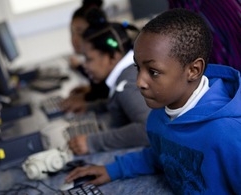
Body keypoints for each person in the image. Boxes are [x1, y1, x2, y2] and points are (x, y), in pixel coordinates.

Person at [65, 8, 241, 194]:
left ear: (193, 70)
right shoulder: (159, 114)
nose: (140, 82)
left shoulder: (227, 135)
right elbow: (162, 154)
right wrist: (114, 169)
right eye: (137, 67)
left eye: (153, 72)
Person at [64, 8, 151, 155]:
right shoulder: (129, 72)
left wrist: (93, 142)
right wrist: (93, 107)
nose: (84, 65)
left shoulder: (127, 83)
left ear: (112, 57)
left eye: (89, 59)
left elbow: (148, 129)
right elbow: (122, 103)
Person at [65, 0, 109, 109]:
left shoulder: (108, 61)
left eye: (79, 33)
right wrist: (89, 92)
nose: (73, 39)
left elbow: (117, 100)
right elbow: (104, 91)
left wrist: (88, 104)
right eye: (72, 33)